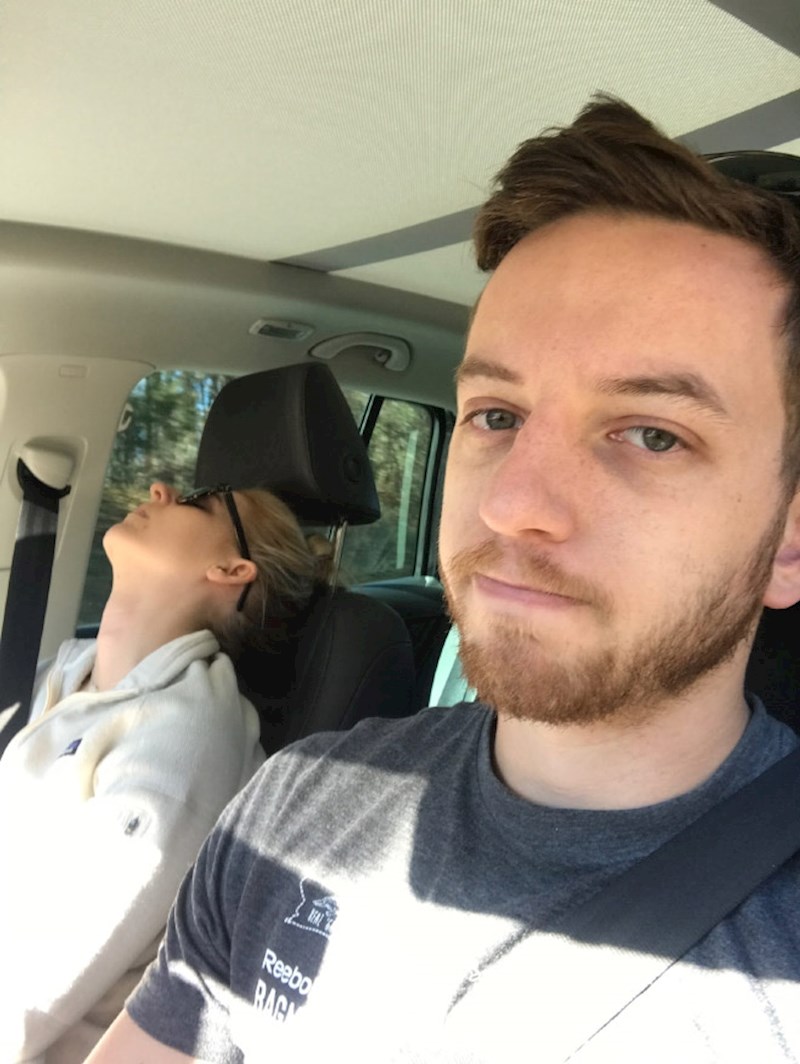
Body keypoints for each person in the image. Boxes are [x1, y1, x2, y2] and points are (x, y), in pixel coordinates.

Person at [89, 97, 800, 1063]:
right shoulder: (295, 803)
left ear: (789, 540)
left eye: (651, 433)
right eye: (496, 416)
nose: (513, 505)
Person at [0, 481, 332, 1063]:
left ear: (231, 570)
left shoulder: (189, 740)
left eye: (198, 499)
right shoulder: (60, 670)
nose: (160, 487)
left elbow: (28, 983)